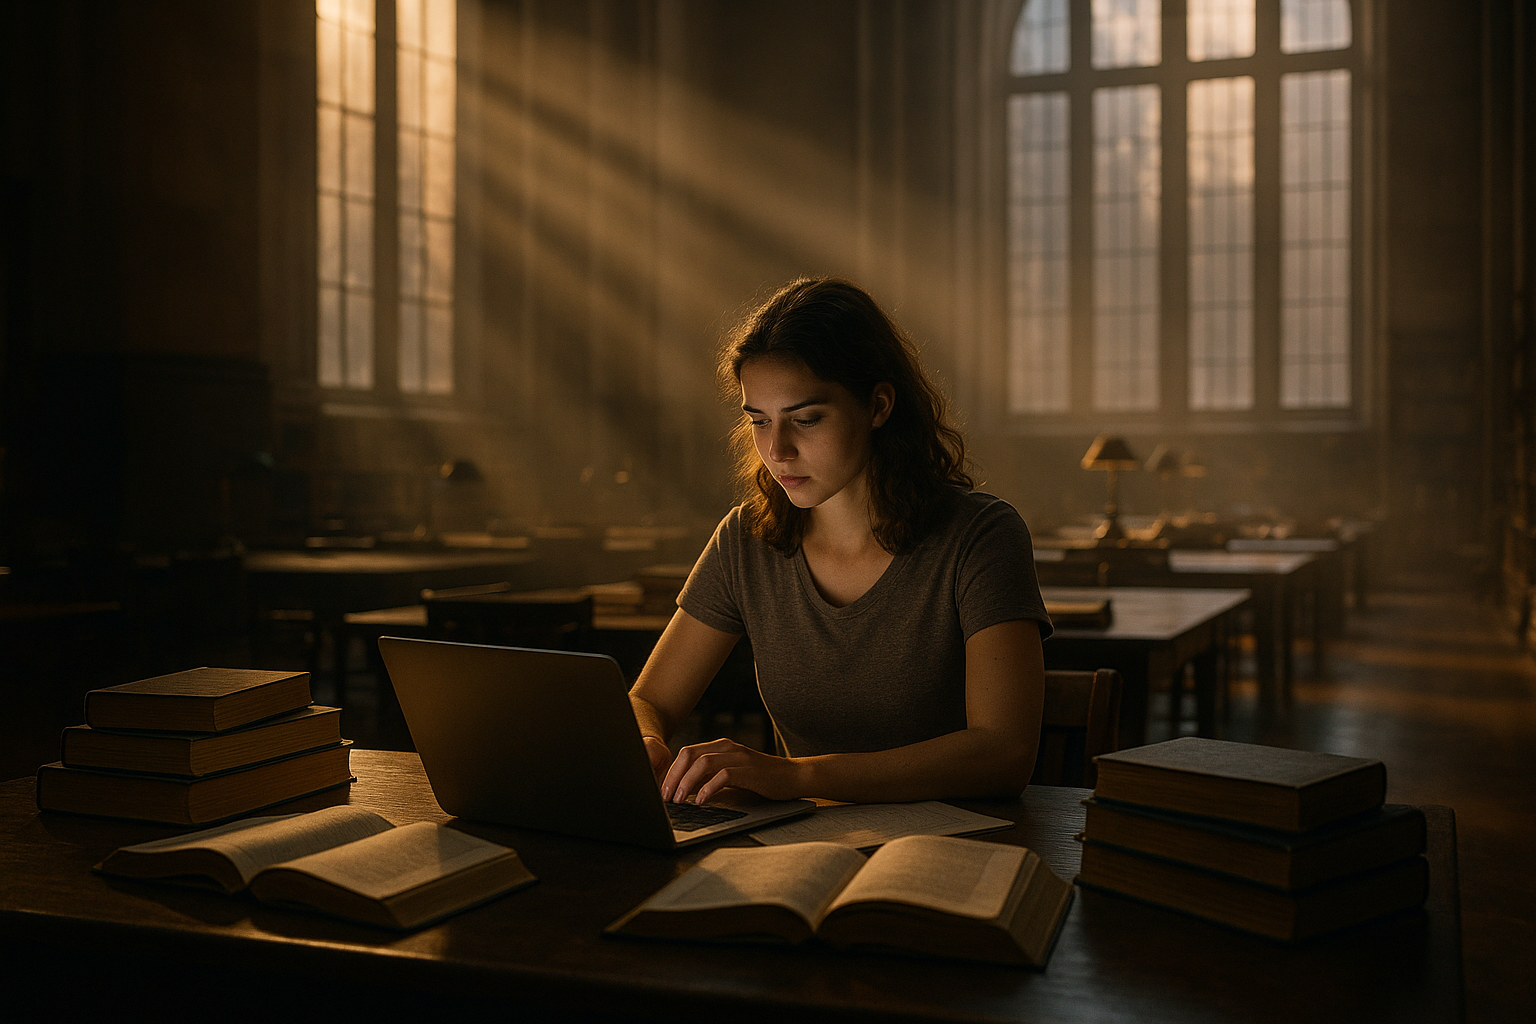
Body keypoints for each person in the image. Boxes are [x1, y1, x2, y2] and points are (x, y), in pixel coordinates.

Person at [628, 277, 1052, 807]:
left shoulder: (980, 537)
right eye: (759, 421)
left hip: (960, 851)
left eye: (806, 419)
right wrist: (645, 742)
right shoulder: (745, 540)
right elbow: (648, 699)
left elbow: (1003, 755)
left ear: (878, 406)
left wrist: (797, 777)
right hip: (804, 850)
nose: (777, 449)